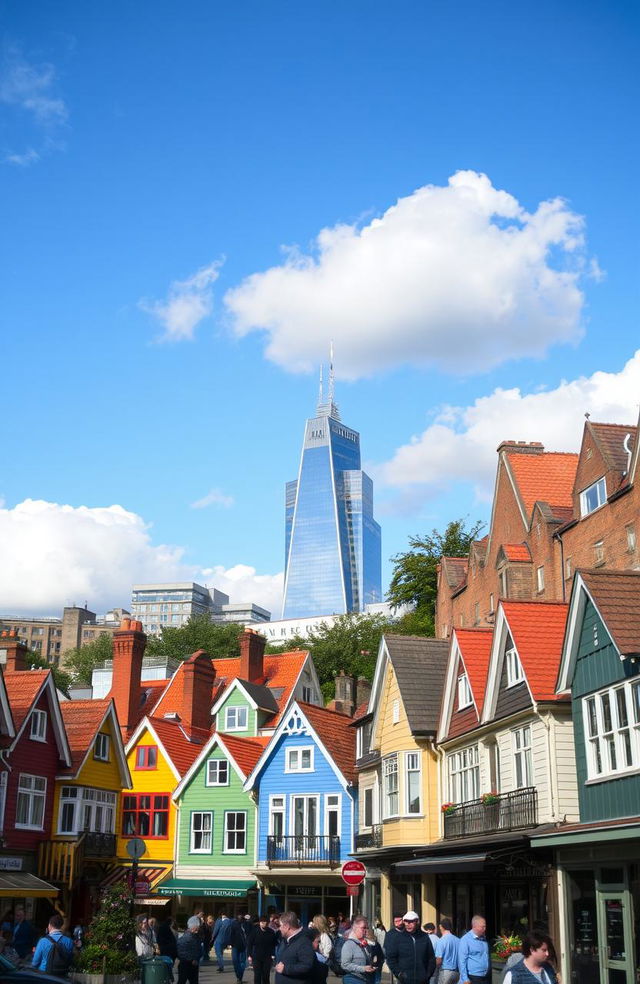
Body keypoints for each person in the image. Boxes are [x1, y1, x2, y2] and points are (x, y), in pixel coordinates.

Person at [384, 911, 436, 984]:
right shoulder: (398, 938)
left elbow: (431, 958)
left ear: (416, 922)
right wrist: (399, 974)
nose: (408, 924)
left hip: (422, 980)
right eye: (406, 921)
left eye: (411, 921)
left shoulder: (424, 937)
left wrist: (427, 974)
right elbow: (391, 958)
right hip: (405, 980)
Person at [274, 911, 315, 984]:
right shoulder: (287, 940)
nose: (279, 929)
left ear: (286, 927)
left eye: (280, 925)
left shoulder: (304, 942)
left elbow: (306, 966)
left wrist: (285, 969)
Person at [341, 916, 375, 984]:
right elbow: (345, 965)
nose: (366, 930)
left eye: (367, 928)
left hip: (366, 979)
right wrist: (363, 968)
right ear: (355, 928)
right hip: (353, 979)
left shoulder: (366, 944)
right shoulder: (349, 944)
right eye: (363, 928)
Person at [458, 916, 490, 984]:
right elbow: (461, 961)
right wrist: (465, 979)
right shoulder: (465, 940)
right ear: (475, 926)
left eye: (485, 926)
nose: (485, 929)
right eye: (483, 927)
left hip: (485, 976)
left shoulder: (483, 939)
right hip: (473, 977)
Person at [247, 914, 278, 984]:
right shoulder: (254, 932)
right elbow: (249, 944)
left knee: (266, 976)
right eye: (262, 922)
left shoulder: (271, 932)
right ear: (260, 923)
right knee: (257, 976)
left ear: (268, 923)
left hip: (267, 957)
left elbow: (274, 944)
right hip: (256, 957)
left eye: (266, 922)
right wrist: (249, 955)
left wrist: (273, 954)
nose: (264, 923)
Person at [178, 916, 203, 984]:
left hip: (194, 964)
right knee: (182, 981)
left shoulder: (196, 936)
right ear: (191, 927)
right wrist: (192, 959)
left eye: (198, 927)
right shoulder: (185, 938)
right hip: (185, 964)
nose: (198, 929)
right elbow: (181, 952)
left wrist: (196, 958)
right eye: (196, 927)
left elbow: (199, 950)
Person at [435, 919, 460, 984]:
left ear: (441, 926)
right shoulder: (458, 940)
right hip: (457, 972)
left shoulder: (441, 941)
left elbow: (439, 960)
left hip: (445, 972)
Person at [229, 913, 250, 984]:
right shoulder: (234, 924)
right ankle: (239, 976)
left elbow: (250, 934)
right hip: (235, 945)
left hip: (243, 946)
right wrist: (230, 943)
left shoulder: (247, 924)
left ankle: (239, 977)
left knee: (242, 962)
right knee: (235, 961)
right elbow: (231, 934)